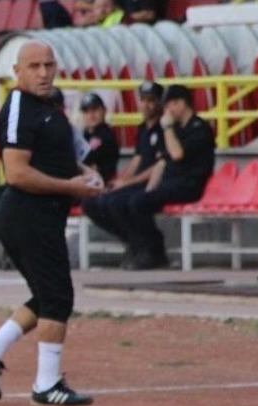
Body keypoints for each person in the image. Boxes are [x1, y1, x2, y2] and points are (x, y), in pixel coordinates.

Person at [0, 41, 103, 406]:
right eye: (34, 66)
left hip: (42, 214)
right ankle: (46, 384)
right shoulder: (17, 107)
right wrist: (71, 186)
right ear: (18, 71)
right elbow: (16, 173)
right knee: (58, 298)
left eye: (49, 64)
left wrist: (85, 174)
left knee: (47, 295)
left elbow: (59, 156)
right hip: (27, 214)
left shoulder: (47, 107)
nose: (44, 72)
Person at [114, 84, 214, 270]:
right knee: (132, 200)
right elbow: (162, 162)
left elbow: (176, 154)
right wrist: (150, 189)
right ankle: (143, 247)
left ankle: (153, 250)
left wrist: (167, 128)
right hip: (171, 183)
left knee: (138, 203)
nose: (167, 111)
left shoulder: (199, 128)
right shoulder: (175, 129)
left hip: (189, 185)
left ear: (181, 104)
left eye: (170, 105)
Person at [81, 81, 165, 268]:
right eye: (143, 100)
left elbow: (161, 164)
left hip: (155, 182)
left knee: (123, 202)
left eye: (151, 100)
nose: (146, 105)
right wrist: (122, 181)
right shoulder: (143, 127)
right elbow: (137, 159)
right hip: (137, 182)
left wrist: (129, 182)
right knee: (94, 203)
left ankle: (150, 247)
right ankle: (133, 241)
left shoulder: (164, 128)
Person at [79, 92, 119, 186]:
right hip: (88, 181)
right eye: (86, 111)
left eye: (94, 109)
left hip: (101, 184)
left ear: (104, 110)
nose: (91, 115)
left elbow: (86, 159)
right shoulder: (86, 133)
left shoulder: (105, 135)